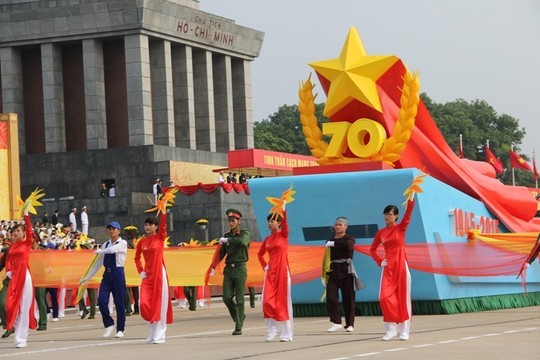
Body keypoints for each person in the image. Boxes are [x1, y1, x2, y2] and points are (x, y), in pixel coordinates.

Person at [370, 198, 415, 341]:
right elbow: (372, 250)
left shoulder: (401, 228)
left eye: (389, 214)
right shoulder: (381, 233)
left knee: (403, 299)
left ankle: (404, 330)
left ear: (396, 216)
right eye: (385, 214)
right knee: (384, 298)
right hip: (388, 269)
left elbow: (408, 215)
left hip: (401, 268)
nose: (386, 216)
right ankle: (391, 329)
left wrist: (411, 200)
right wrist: (380, 261)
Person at [79, 221, 127, 338]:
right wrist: (87, 277)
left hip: (118, 273)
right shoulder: (105, 244)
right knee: (101, 301)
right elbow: (98, 264)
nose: (111, 231)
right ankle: (109, 324)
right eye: (109, 229)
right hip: (107, 275)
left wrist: (102, 251)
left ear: (119, 230)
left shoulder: (122, 243)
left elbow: (113, 250)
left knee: (120, 302)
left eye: (114, 229)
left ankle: (120, 329)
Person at [208, 209, 250, 335]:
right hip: (229, 269)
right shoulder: (226, 235)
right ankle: (239, 315)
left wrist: (228, 241)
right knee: (226, 297)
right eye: (229, 221)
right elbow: (221, 254)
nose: (231, 223)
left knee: (240, 298)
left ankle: (238, 326)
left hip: (240, 267)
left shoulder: (244, 233)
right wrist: (213, 267)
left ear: (239, 221)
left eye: (233, 221)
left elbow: (242, 241)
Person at [134, 214, 173, 344]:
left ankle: (160, 335)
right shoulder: (142, 242)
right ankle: (152, 331)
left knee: (159, 305)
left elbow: (164, 226)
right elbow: (137, 257)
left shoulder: (160, 238)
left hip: (159, 275)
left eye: (150, 225)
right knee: (144, 304)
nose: (147, 227)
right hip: (147, 276)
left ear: (156, 227)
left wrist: (163, 212)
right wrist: (140, 271)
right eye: (146, 225)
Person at [257, 204, 293, 342]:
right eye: (268, 221)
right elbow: (260, 254)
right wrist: (264, 266)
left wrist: (283, 209)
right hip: (271, 273)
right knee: (267, 301)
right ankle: (272, 330)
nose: (269, 224)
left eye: (272, 221)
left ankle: (286, 333)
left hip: (283, 273)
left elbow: (286, 223)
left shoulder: (283, 235)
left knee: (282, 302)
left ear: (278, 223)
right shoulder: (267, 239)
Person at [322, 216, 362, 333]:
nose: (337, 226)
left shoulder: (349, 238)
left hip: (346, 270)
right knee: (331, 297)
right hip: (333, 270)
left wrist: (333, 244)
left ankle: (350, 324)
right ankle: (336, 322)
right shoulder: (329, 240)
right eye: (336, 224)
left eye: (340, 224)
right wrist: (324, 274)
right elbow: (327, 254)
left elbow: (348, 246)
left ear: (346, 226)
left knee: (348, 298)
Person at [4, 211, 37, 348]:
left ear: (23, 233)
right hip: (14, 278)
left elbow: (29, 230)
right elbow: (8, 261)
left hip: (25, 277)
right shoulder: (12, 246)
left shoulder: (27, 243)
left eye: (18, 231)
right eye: (13, 231)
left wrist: (26, 216)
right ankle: (19, 330)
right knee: (10, 305)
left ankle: (21, 338)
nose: (15, 233)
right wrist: (9, 271)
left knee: (23, 307)